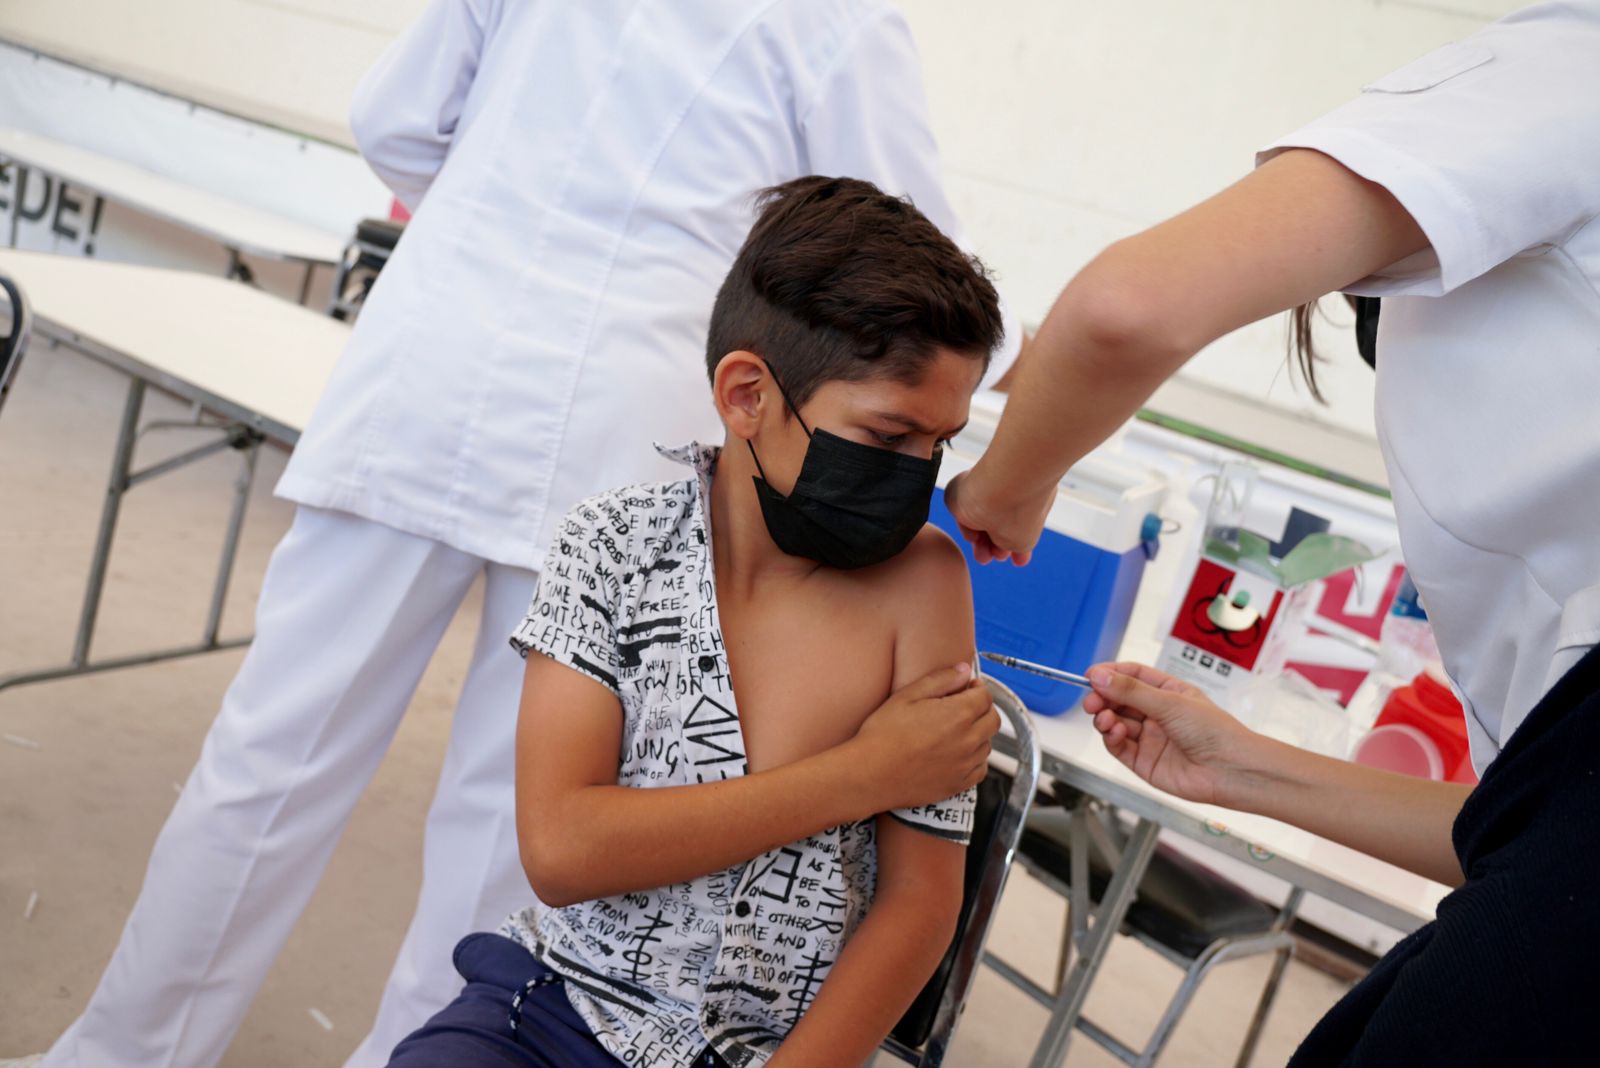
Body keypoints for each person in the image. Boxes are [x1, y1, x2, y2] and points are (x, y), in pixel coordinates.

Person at [18, 3, 1019, 1067]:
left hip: (443, 349)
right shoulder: (839, 22)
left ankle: (120, 1054)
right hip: (623, 401)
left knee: (274, 750)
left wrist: (514, 217)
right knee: (501, 822)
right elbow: (898, 259)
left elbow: (395, 120)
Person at [944, 3, 1600, 1064]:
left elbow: (1123, 308)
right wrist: (1243, 767)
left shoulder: (1568, 73)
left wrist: (1002, 489)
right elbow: (1523, 832)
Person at [383, 175, 1003, 1068]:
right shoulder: (611, 545)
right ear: (747, 394)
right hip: (559, 1009)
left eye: (941, 443)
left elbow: (920, 905)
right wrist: (863, 774)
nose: (918, 474)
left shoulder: (925, 584)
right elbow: (563, 849)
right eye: (886, 437)